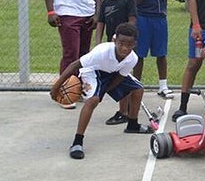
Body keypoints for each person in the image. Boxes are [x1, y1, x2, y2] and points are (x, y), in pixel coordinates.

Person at [50, 23, 153, 160]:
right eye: (121, 43)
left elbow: (120, 77)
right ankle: (77, 141)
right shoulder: (101, 52)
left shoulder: (132, 58)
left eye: (129, 44)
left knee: (138, 88)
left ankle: (132, 124)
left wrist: (105, 90)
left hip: (112, 73)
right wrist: (56, 87)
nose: (124, 48)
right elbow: (74, 65)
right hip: (93, 71)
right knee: (93, 100)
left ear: (134, 44)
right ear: (114, 40)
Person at [94, 0, 137, 125]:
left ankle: (124, 111)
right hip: (111, 47)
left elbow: (132, 20)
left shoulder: (127, 0)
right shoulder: (105, 3)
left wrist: (124, 39)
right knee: (115, 76)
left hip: (124, 46)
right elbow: (100, 23)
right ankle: (124, 109)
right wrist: (98, 43)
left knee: (123, 77)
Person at [131, 0, 174, 99]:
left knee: (161, 54)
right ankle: (135, 84)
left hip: (159, 18)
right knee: (139, 54)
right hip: (142, 17)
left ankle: (163, 85)